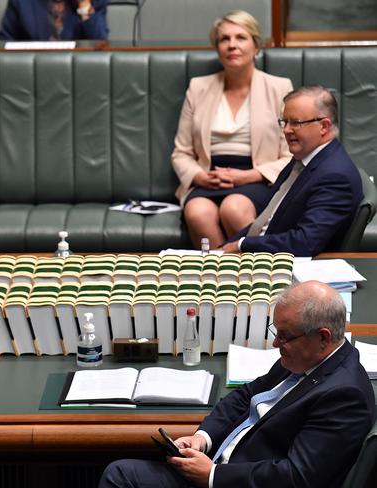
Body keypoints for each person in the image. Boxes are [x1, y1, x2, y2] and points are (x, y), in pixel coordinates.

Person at [99, 281, 376, 488]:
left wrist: (213, 475)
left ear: (323, 337)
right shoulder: (304, 358)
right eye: (276, 332)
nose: (276, 343)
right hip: (220, 465)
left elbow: (296, 477)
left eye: (285, 336)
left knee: (120, 476)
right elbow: (246, 396)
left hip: (233, 480)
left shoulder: (344, 396)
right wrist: (203, 438)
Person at [172, 10, 293, 249]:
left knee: (233, 208)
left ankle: (252, 278)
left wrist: (249, 175)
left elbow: (291, 154)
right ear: (217, 48)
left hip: (259, 177)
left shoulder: (279, 87)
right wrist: (199, 176)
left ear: (256, 47)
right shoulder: (198, 88)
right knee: (197, 211)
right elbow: (181, 152)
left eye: (240, 37)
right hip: (209, 178)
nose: (232, 45)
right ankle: (221, 279)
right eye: (224, 39)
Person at [220, 85, 362, 256]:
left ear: (324, 126)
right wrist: (224, 248)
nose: (286, 130)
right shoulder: (302, 159)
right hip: (266, 255)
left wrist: (243, 245)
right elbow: (264, 221)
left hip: (291, 271)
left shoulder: (336, 177)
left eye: (295, 122)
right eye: (285, 122)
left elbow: (305, 242)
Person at [0, 0, 107, 41]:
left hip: (78, 78)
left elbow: (100, 46)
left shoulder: (95, 2)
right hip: (32, 77)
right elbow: (4, 42)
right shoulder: (21, 2)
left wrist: (84, 5)